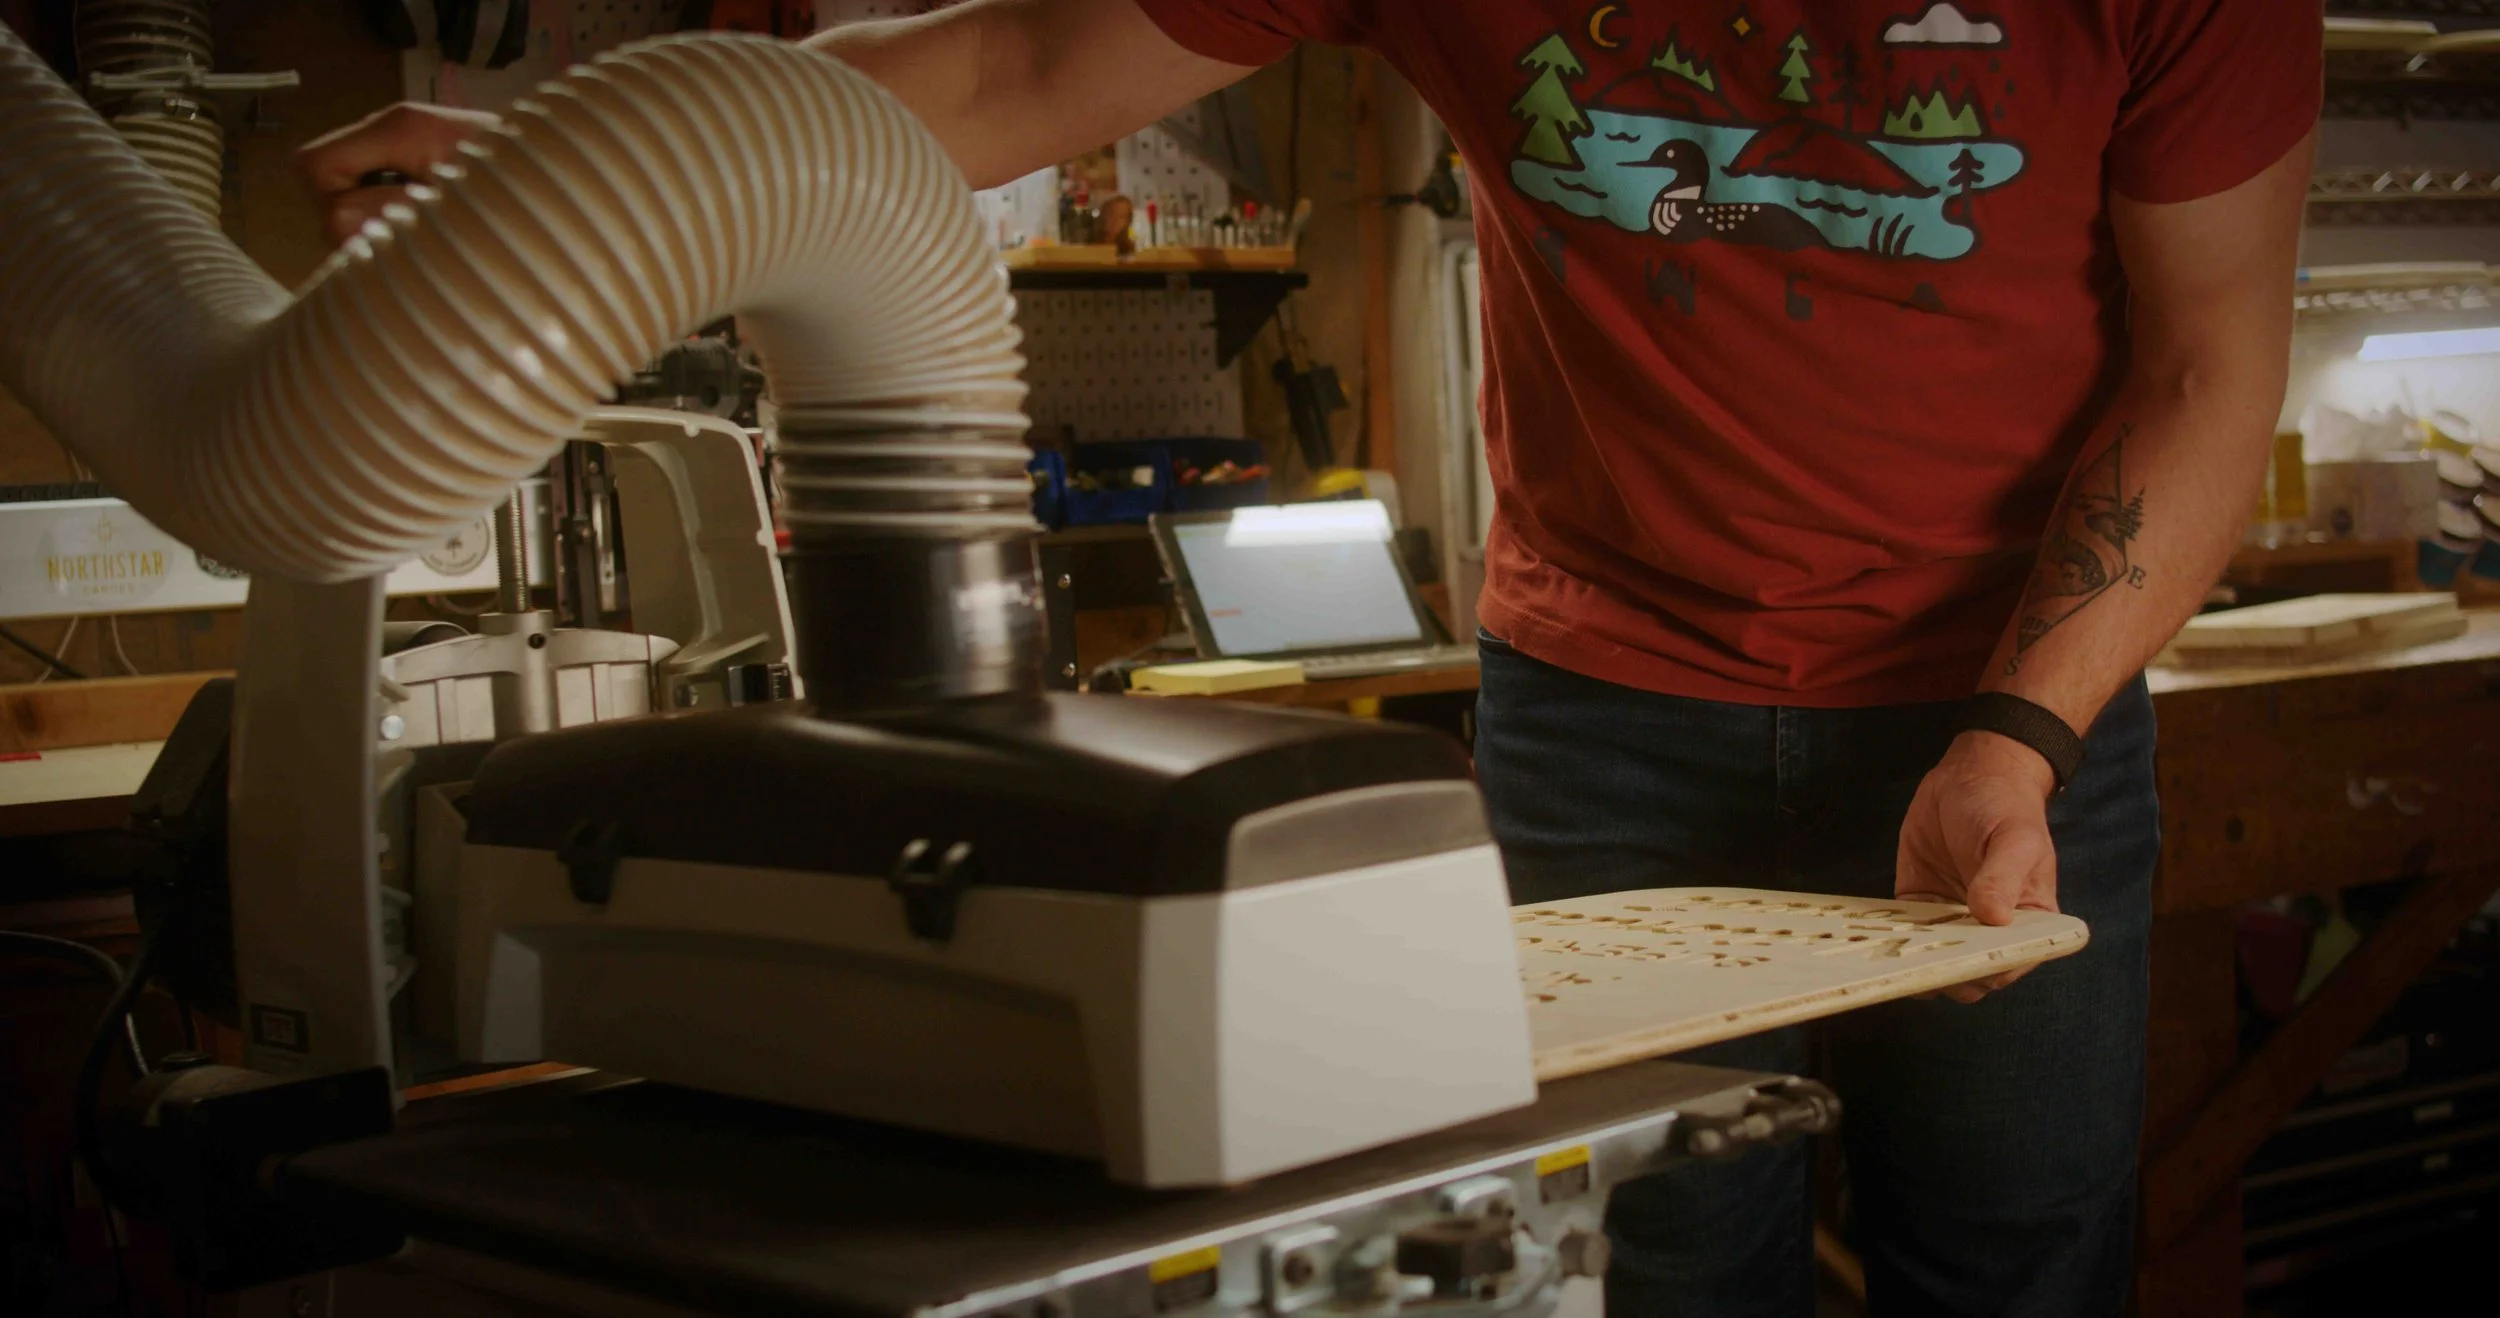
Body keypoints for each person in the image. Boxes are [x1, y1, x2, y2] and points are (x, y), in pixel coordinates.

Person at [300, 3, 2319, 1313]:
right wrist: (554, 157)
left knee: (2011, 1258)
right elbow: (1013, 72)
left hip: (2000, 707)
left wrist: (2012, 733)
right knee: (1642, 1263)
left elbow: (2207, 358)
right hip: (1605, 708)